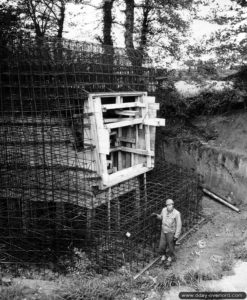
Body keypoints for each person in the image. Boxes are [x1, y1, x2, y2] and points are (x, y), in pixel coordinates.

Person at [152, 199, 182, 265]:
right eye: (168, 205)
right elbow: (161, 217)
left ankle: (170, 258)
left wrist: (176, 236)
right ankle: (163, 256)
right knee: (162, 245)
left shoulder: (176, 213)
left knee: (171, 246)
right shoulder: (164, 210)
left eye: (170, 205)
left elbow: (179, 225)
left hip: (171, 232)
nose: (169, 206)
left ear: (173, 205)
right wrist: (156, 216)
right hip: (163, 231)